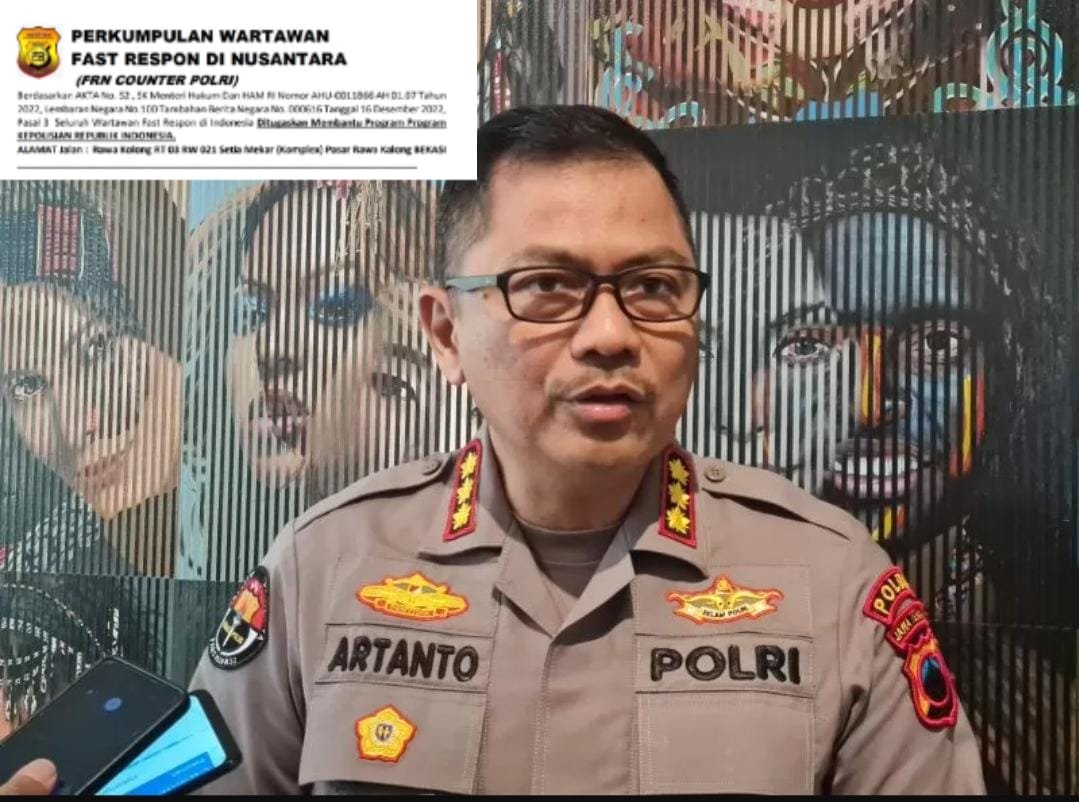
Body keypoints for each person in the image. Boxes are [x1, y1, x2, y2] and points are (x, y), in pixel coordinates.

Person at [3, 104, 986, 794]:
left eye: (652, 287)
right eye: (547, 288)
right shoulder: (322, 569)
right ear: (442, 332)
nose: (610, 335)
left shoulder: (832, 582)